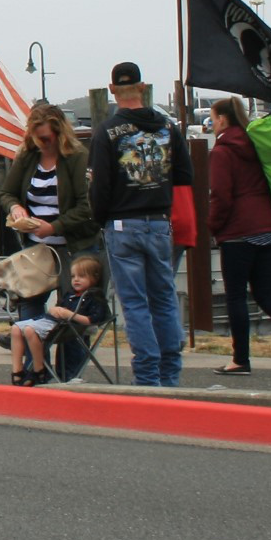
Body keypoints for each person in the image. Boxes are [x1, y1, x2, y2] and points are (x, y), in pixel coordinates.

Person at [88, 62, 190, 387]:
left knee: (134, 302)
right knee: (163, 297)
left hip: (122, 223)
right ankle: (170, 372)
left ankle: (147, 375)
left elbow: (99, 186)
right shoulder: (168, 129)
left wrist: (100, 218)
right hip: (159, 221)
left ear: (113, 90)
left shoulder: (107, 132)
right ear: (143, 88)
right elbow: (184, 178)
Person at [206, 97, 271, 376]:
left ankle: (241, 359)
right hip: (268, 227)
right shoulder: (256, 144)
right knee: (266, 293)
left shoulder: (222, 152)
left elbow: (221, 196)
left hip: (238, 232)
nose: (212, 123)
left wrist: (213, 227)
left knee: (236, 297)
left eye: (213, 118)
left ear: (223, 120)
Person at [2, 103, 98, 323]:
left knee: (72, 308)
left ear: (59, 133)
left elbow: (87, 206)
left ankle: (70, 357)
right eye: (36, 138)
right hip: (36, 247)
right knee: (29, 303)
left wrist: (54, 227)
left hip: (74, 246)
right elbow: (6, 192)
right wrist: (15, 207)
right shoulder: (28, 155)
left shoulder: (78, 157)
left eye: (45, 139)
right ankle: (33, 356)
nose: (41, 144)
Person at [8, 255, 108, 386]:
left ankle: (39, 370)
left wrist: (69, 315)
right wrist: (55, 310)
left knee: (29, 330)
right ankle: (17, 372)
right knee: (15, 328)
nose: (76, 280)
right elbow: (59, 309)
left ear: (95, 278)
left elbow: (92, 320)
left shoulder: (94, 297)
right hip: (53, 321)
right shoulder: (70, 294)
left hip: (68, 326)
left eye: (81, 276)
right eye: (73, 276)